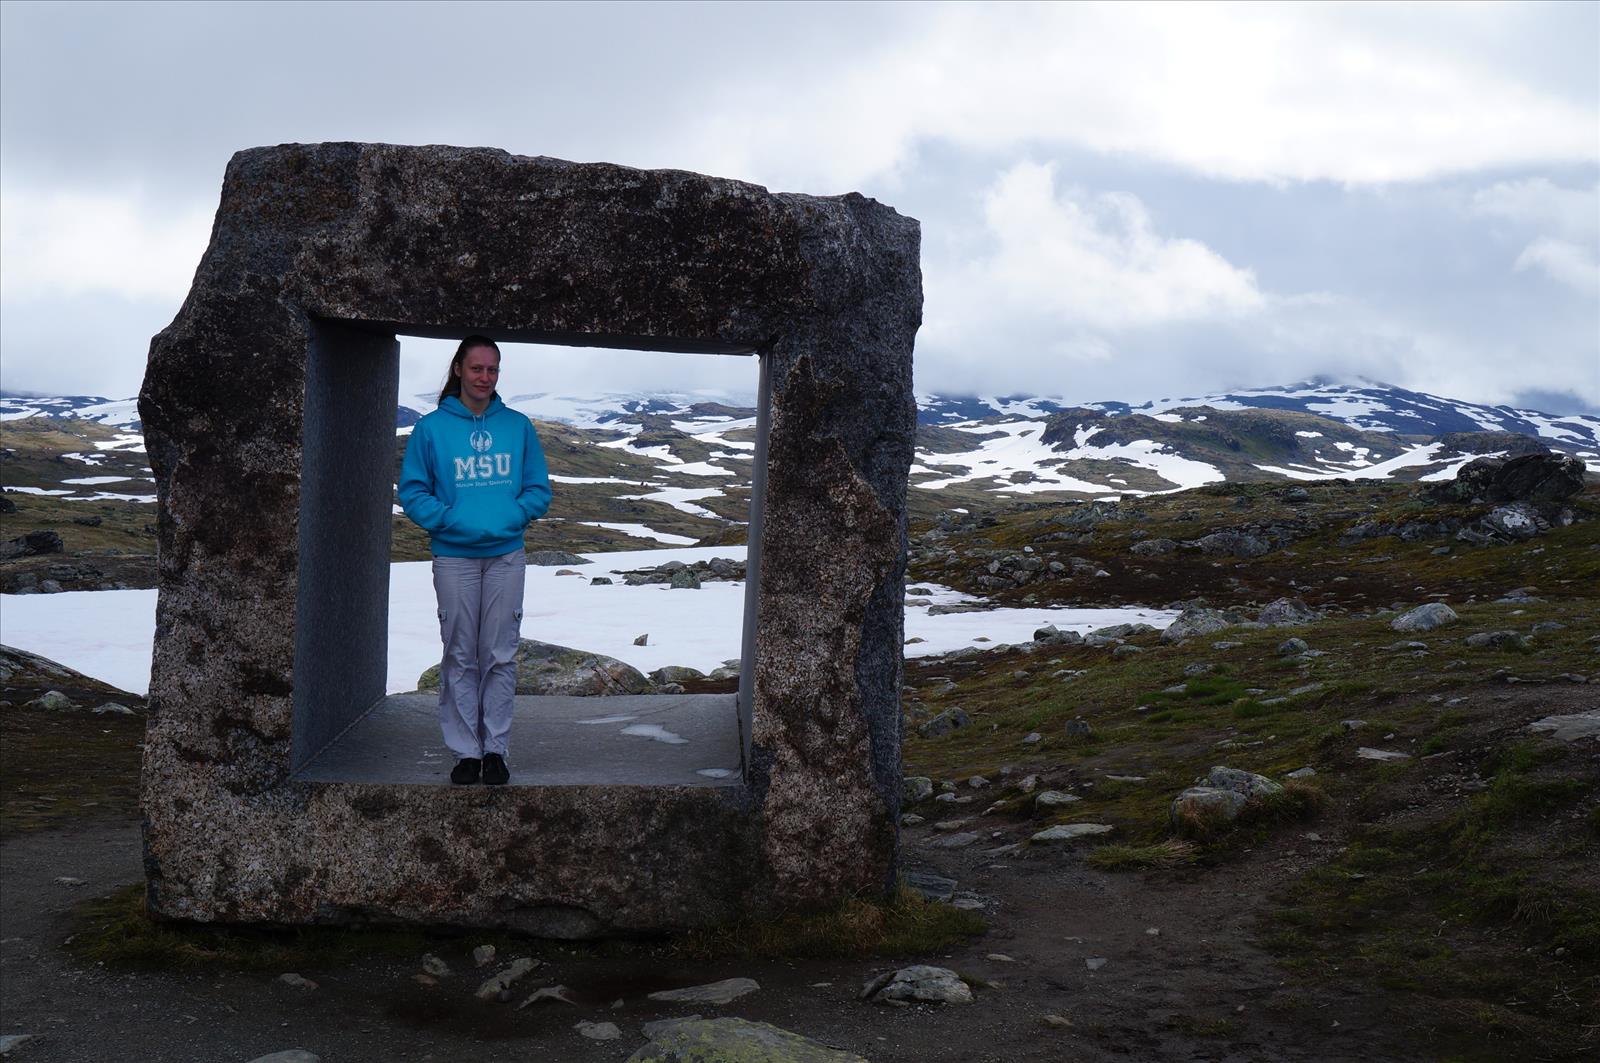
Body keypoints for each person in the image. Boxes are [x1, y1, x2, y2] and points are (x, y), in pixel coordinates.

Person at [398, 336, 551, 785]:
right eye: (477, 369)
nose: (485, 378)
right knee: (460, 653)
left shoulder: (518, 426)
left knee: (500, 655)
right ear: (459, 370)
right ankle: (466, 752)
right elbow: (412, 490)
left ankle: (496, 750)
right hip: (454, 558)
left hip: (506, 555)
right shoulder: (432, 429)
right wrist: (447, 521)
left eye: (493, 370)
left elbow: (537, 489)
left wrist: (511, 516)